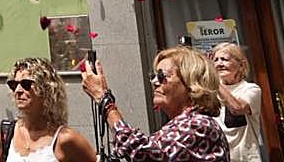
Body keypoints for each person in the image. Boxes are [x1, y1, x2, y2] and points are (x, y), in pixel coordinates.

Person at [81, 47, 229, 162]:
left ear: (191, 83)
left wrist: (105, 101)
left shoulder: (200, 125)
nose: (154, 82)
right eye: (154, 76)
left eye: (162, 76)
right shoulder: (184, 124)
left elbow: (143, 154)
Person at [0, 57, 95, 162]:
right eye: (14, 85)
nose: (18, 90)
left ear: (46, 89)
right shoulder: (7, 134)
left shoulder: (65, 139)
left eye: (26, 84)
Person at [210, 44, 262, 162]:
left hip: (245, 158)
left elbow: (237, 108)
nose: (219, 64)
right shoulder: (210, 91)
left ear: (241, 65)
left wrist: (215, 82)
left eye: (224, 59)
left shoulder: (251, 89)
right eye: (215, 60)